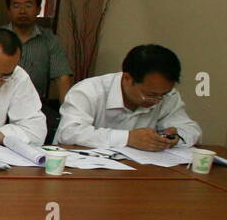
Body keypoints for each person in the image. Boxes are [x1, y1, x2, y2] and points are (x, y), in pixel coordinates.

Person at [56, 44, 201, 150]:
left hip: (139, 172)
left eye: (162, 95)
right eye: (150, 95)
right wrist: (128, 138)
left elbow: (191, 130)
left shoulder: (168, 95)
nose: (156, 101)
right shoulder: (89, 91)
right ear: (127, 78)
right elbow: (69, 133)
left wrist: (176, 137)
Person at [3, 0, 72, 142]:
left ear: (38, 9)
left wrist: (70, 115)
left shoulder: (50, 40)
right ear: (8, 10)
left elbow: (62, 78)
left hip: (35, 105)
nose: (22, 11)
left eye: (28, 5)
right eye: (16, 6)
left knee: (51, 133)